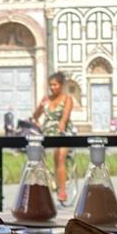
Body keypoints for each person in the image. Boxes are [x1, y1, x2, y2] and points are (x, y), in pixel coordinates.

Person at [33, 72, 75, 202]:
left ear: (61, 85)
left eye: (55, 85)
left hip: (63, 132)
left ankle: (62, 190)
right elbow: (35, 116)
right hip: (47, 132)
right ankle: (41, 186)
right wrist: (40, 107)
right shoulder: (46, 99)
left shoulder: (67, 99)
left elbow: (65, 116)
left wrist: (60, 128)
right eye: (50, 85)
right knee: (37, 158)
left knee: (59, 157)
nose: (52, 87)